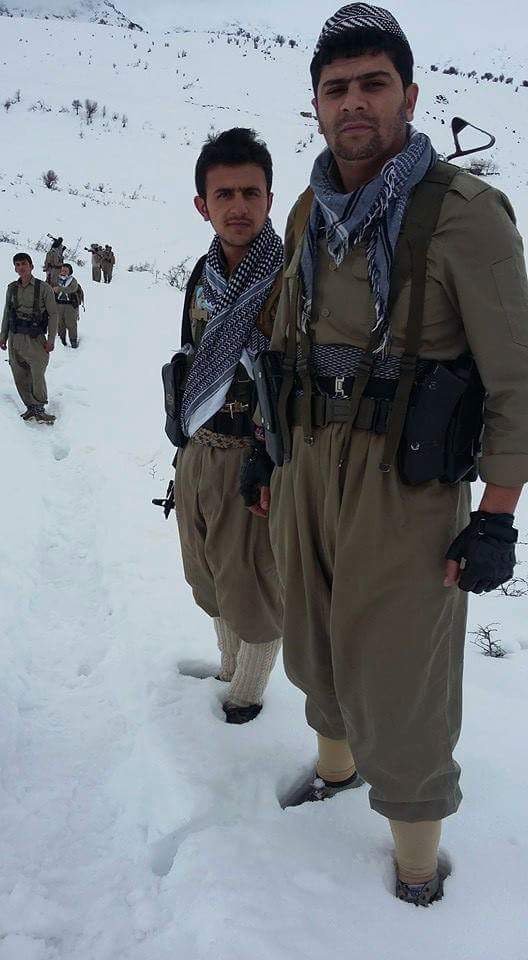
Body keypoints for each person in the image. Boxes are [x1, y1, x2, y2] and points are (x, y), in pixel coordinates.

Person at [245, 3, 528, 904]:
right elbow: (282, 342)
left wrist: (496, 517)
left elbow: (517, 378)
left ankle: (414, 869)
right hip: (305, 461)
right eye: (337, 89)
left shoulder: (465, 215)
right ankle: (335, 769)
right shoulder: (306, 209)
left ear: (410, 95)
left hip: (404, 481)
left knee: (403, 677)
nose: (354, 103)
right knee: (313, 641)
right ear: (316, 105)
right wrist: (264, 450)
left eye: (374, 84)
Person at [173, 128, 283, 724]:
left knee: (252, 583)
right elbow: (191, 359)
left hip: (256, 455)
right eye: (224, 194)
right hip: (199, 446)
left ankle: (247, 694)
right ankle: (227, 665)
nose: (238, 206)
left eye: (250, 192)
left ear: (269, 199)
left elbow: (295, 375)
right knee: (207, 572)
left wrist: (269, 461)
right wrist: (181, 441)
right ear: (202, 205)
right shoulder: (204, 274)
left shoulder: (290, 276)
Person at [0, 252, 58, 423]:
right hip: (15, 336)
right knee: (19, 373)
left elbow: (53, 314)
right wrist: (3, 336)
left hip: (35, 338)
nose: (21, 267)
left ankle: (40, 408)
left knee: (37, 372)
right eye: (17, 265)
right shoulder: (12, 288)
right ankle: (31, 407)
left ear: (31, 266)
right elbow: (7, 312)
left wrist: (51, 340)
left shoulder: (44, 288)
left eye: (24, 264)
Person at [54, 263, 82, 348]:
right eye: (62, 270)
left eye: (65, 271)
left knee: (71, 324)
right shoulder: (56, 279)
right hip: (59, 305)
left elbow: (72, 289)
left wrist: (60, 289)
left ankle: (73, 342)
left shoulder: (73, 280)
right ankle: (62, 342)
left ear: (69, 272)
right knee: (60, 324)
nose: (63, 272)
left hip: (70, 306)